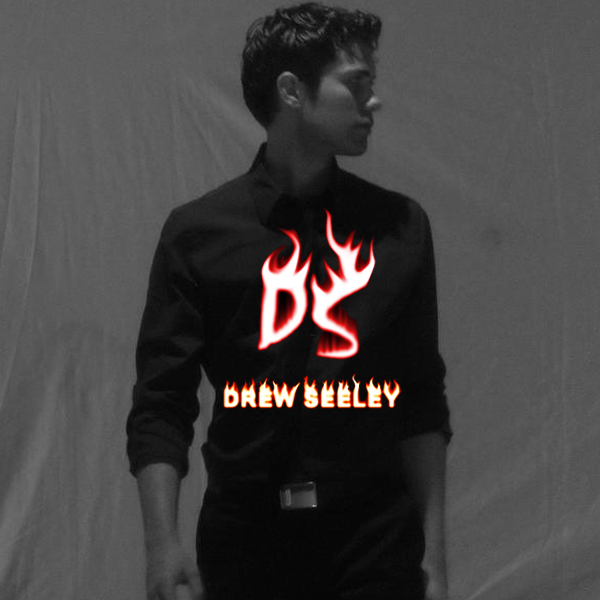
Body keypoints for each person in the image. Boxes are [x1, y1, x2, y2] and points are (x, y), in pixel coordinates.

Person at [126, 3, 451, 599]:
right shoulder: (198, 235)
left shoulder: (399, 228)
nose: (374, 101)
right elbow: (161, 402)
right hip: (248, 541)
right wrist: (160, 545)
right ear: (293, 91)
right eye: (356, 83)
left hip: (374, 539)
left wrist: (433, 560)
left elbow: (421, 399)